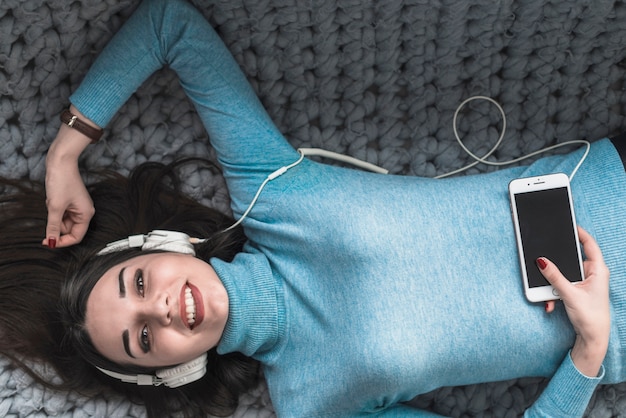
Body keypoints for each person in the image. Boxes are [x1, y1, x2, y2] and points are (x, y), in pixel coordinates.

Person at [2, 0, 625, 416]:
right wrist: (590, 351)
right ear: (171, 375)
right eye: (141, 338)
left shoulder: (273, 193)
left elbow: (169, 24)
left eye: (138, 283)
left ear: (162, 245)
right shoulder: (311, 403)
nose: (160, 309)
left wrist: (65, 153)